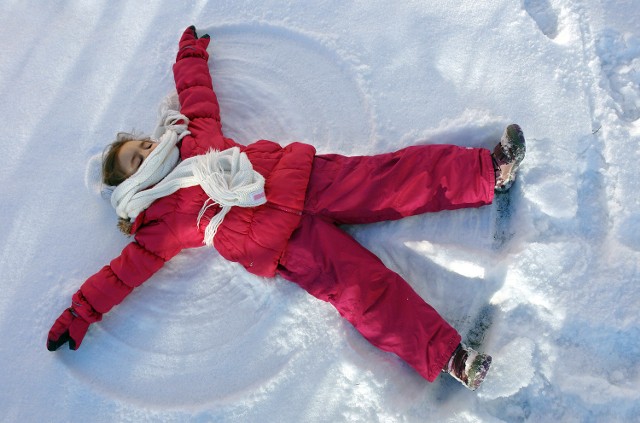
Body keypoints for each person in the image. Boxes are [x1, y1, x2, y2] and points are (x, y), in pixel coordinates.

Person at [47, 26, 526, 391]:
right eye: (136, 157)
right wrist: (81, 312)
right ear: (130, 183)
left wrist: (189, 55)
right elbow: (122, 274)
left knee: (390, 179)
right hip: (282, 243)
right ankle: (449, 358)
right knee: (362, 291)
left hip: (303, 178)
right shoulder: (158, 222)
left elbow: (198, 98)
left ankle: (487, 172)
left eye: (141, 141)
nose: (149, 146)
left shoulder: (194, 139)